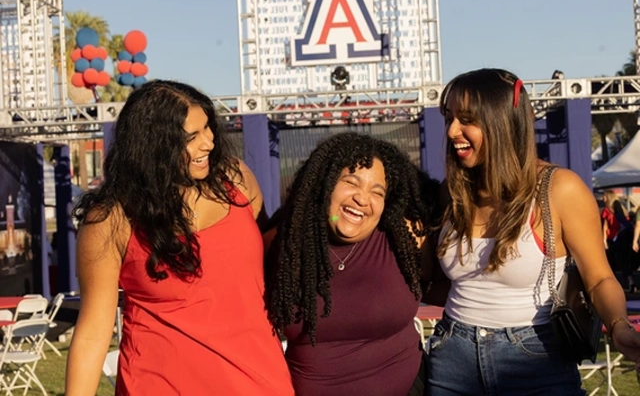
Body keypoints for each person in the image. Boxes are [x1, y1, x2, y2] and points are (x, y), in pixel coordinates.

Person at [65, 80, 294, 395]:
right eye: (193, 136)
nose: (209, 143)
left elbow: (278, 261)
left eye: (208, 128)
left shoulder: (236, 179)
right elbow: (92, 333)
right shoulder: (109, 221)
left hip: (259, 382)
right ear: (154, 146)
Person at [426, 68, 640, 395]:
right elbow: (441, 285)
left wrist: (620, 327)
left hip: (535, 356)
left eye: (466, 118)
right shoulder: (452, 193)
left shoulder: (560, 188)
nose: (453, 130)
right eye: (448, 118)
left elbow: (598, 277)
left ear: (502, 122)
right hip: (452, 357)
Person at [265, 132, 440, 396]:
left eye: (376, 192)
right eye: (351, 182)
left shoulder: (406, 238)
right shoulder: (281, 245)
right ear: (324, 183)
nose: (362, 198)